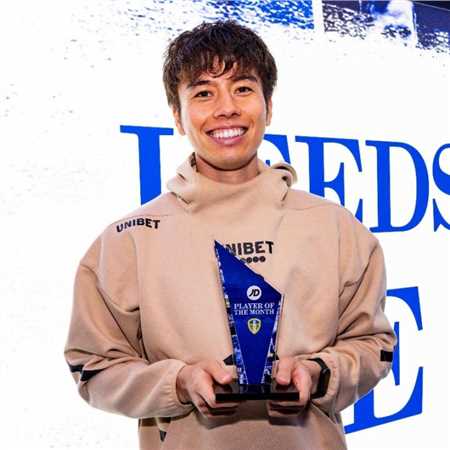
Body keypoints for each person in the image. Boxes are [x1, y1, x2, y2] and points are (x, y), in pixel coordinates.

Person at [64, 20, 396, 450]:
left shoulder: (334, 226)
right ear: (177, 116)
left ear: (268, 106)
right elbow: (92, 367)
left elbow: (373, 345)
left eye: (242, 88)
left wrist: (319, 372)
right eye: (203, 93)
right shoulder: (128, 240)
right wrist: (178, 382)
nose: (226, 109)